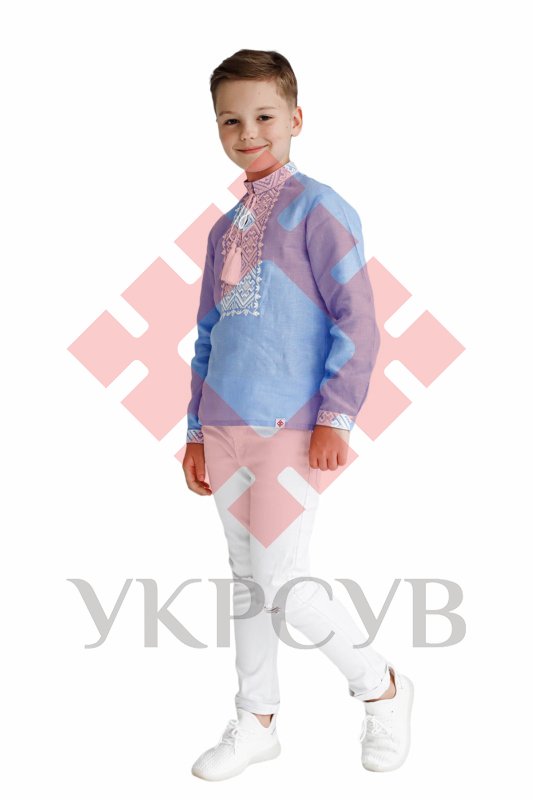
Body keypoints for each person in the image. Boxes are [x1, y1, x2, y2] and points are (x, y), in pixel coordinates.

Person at [182, 48, 414, 781]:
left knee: (284, 583)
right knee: (247, 581)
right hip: (224, 427)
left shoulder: (319, 208)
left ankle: (381, 687)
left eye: (263, 116)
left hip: (291, 426)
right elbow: (207, 334)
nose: (247, 132)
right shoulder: (224, 229)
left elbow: (358, 318)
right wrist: (195, 431)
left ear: (295, 118)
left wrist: (336, 416)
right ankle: (257, 720)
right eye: (231, 120)